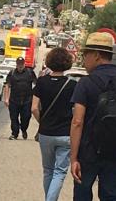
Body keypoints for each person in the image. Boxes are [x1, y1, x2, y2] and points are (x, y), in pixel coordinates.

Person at [70, 32, 116, 200]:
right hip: (115, 153)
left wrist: (73, 158)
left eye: (86, 54)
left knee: (82, 195)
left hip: (88, 152)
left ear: (97, 56)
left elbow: (77, 122)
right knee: (111, 195)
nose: (84, 59)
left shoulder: (85, 83)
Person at [32, 48, 77, 201]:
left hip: (46, 133)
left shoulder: (42, 82)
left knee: (48, 170)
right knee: (59, 172)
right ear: (67, 63)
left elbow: (34, 108)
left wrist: (42, 122)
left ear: (49, 61)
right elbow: (76, 111)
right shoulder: (72, 85)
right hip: (65, 134)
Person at [4, 56, 37, 140]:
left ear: (24, 64)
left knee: (26, 117)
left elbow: (36, 84)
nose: (20, 66)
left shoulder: (30, 72)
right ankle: (14, 134)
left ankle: (23, 129)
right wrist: (6, 99)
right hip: (14, 100)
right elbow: (7, 85)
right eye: (19, 64)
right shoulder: (12, 73)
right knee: (14, 118)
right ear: (16, 64)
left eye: (21, 64)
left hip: (27, 100)